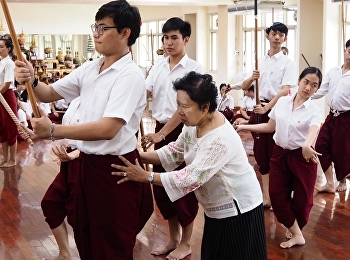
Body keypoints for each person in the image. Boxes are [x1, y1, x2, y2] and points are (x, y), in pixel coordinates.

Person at [14, 1, 153, 259]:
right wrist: (32, 79)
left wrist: (54, 130)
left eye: (103, 27)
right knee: (87, 235)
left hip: (115, 169)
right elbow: (50, 92)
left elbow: (109, 128)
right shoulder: (92, 67)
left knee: (112, 244)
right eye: (95, 27)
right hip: (88, 165)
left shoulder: (130, 75)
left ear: (125, 33)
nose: (96, 33)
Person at [112, 71, 267, 260]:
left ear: (205, 107)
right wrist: (136, 155)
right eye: (178, 105)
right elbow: (174, 152)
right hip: (215, 210)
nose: (180, 112)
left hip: (239, 211)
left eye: (185, 106)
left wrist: (146, 176)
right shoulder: (193, 124)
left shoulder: (219, 139)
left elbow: (191, 177)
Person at [237, 67, 323, 248]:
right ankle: (296, 233)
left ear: (317, 89)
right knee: (276, 195)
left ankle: (294, 228)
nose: (308, 88)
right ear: (299, 81)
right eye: (306, 82)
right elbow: (270, 127)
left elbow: (314, 129)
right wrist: (246, 127)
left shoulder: (315, 110)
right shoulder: (282, 102)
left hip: (303, 158)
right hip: (280, 154)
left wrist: (307, 144)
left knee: (303, 201)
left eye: (314, 85)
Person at [142, 17, 203, 260]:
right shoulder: (157, 67)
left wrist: (162, 134)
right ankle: (173, 238)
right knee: (163, 188)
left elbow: (186, 110)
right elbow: (143, 94)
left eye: (174, 37)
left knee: (182, 187)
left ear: (186, 39)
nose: (168, 42)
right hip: (160, 130)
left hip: (184, 131)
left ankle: (186, 242)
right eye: (165, 37)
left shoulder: (194, 69)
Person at [241, 22, 297, 208]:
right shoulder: (260, 61)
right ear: (268, 36)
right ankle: (266, 197)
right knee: (261, 155)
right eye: (274, 33)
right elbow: (244, 86)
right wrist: (252, 77)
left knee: (276, 154)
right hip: (259, 109)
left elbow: (285, 90)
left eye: (281, 35)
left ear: (285, 38)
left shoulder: (288, 63)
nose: (277, 37)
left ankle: (279, 196)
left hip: (278, 110)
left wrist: (268, 108)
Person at [41, 97, 81, 260]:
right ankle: (65, 253)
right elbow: (69, 131)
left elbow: (105, 139)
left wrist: (74, 155)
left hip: (88, 162)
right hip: (70, 162)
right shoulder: (78, 99)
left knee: (79, 216)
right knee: (50, 203)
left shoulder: (102, 100)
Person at [313, 39, 350, 193]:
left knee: (340, 150)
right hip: (331, 115)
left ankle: (341, 180)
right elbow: (321, 91)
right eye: (349, 51)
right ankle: (329, 183)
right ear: (345, 50)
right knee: (320, 145)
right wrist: (304, 95)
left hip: (346, 117)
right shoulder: (333, 72)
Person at [0, 35, 18, 168]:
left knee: (10, 127)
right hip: (0, 95)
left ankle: (12, 159)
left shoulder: (9, 63)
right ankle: (4, 157)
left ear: (8, 48)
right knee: (1, 127)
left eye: (1, 47)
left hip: (6, 95)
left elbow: (6, 84)